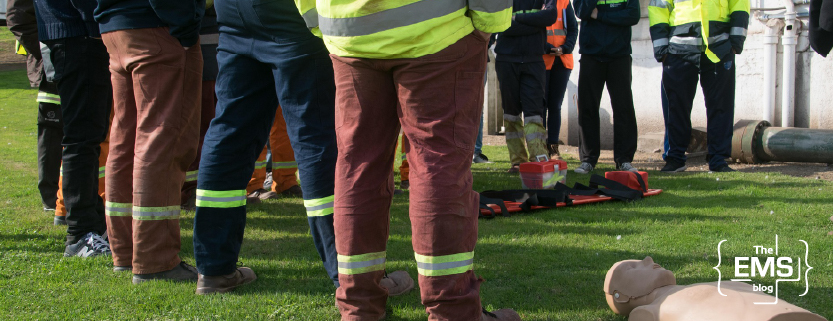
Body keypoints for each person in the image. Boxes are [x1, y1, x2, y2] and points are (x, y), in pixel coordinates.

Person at [303, 0, 521, 319]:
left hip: (349, 31)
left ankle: (359, 309)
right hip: (439, 29)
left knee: (358, 168)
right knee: (438, 165)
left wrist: (322, 21)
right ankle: (452, 311)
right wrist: (489, 20)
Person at [95, 0, 204, 281]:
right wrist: (185, 25)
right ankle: (155, 259)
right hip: (157, 27)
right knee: (161, 143)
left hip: (116, 26)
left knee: (125, 139)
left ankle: (125, 251)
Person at [34, 0, 112, 257]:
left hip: (73, 34)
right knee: (83, 137)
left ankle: (91, 224)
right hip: (78, 34)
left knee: (89, 136)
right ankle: (80, 233)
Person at [649, 0, 749, 172]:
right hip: (679, 49)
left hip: (719, 47)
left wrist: (736, 42)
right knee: (677, 106)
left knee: (720, 106)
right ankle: (675, 158)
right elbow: (658, 9)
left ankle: (718, 159)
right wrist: (662, 50)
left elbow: (740, 4)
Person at [604, 257, 828, 321]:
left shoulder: (706, 285)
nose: (648, 259)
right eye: (632, 268)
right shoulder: (649, 312)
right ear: (620, 296)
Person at [7, 0, 63, 215]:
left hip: (76, 60)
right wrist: (48, 53)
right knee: (52, 133)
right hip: (50, 69)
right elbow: (17, 17)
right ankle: (51, 197)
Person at [573, 0, 640, 174]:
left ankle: (624, 160)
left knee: (623, 107)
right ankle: (588, 160)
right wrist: (596, 12)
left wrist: (600, 15)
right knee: (588, 107)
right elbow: (581, 12)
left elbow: (632, 15)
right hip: (591, 54)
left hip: (619, 54)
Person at [494, 0, 559, 173]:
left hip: (534, 59)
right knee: (511, 113)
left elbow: (550, 16)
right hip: (506, 60)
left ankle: (538, 159)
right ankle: (517, 162)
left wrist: (516, 18)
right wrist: (534, 23)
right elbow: (500, 25)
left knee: (534, 112)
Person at [538, 0, 578, 160]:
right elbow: (534, 29)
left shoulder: (565, 2)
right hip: (542, 60)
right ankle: (539, 148)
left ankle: (553, 148)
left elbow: (573, 30)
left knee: (555, 105)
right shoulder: (536, 3)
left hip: (562, 61)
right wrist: (547, 47)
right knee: (541, 106)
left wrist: (564, 48)